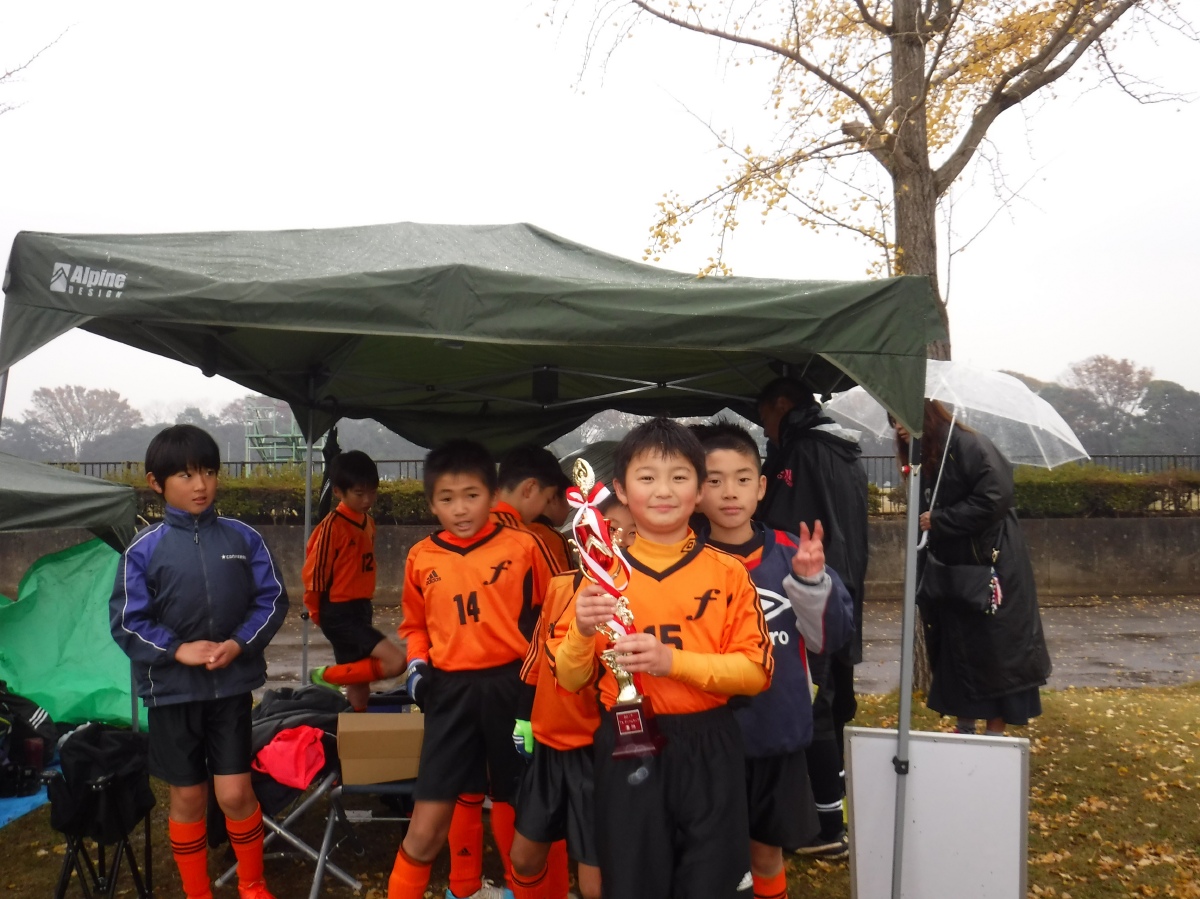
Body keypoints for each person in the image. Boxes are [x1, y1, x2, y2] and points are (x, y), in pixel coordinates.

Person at [553, 418, 774, 899]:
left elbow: (754, 673)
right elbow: (569, 679)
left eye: (679, 477)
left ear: (699, 490)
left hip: (709, 743)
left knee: (711, 880)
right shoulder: (600, 575)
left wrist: (671, 662)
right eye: (647, 477)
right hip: (627, 741)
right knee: (633, 881)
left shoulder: (729, 573)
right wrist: (582, 630)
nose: (663, 491)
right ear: (620, 490)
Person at [109, 424, 288, 899]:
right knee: (188, 796)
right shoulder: (142, 550)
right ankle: (198, 892)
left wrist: (239, 644)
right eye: (186, 475)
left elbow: (271, 600)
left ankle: (253, 886)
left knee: (234, 794)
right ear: (156, 483)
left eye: (208, 472)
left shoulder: (243, 537)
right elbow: (127, 621)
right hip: (172, 693)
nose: (201, 485)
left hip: (231, 689)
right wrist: (177, 650)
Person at [693, 423, 855, 899]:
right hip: (705, 738)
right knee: (711, 854)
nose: (730, 492)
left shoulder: (791, 553)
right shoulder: (683, 559)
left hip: (775, 733)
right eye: (714, 480)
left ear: (761, 487)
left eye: (743, 479)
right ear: (696, 490)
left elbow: (830, 638)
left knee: (766, 853)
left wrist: (810, 584)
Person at [387, 439, 554, 899]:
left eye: (471, 495)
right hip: (450, 695)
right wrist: (416, 667)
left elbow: (552, 619)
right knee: (425, 828)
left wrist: (541, 689)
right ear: (431, 503)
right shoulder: (422, 557)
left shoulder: (525, 546)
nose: (460, 509)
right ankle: (460, 886)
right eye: (447, 498)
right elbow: (414, 625)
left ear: (492, 494)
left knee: (522, 820)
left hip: (512, 691)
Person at [445, 443, 572, 899]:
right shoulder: (533, 540)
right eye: (550, 498)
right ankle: (535, 889)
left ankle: (463, 886)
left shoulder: (449, 536)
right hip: (517, 685)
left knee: (465, 782)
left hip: (454, 684)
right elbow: (563, 610)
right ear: (531, 489)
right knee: (522, 789)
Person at [756, 376, 868, 853]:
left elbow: (782, 527)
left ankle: (826, 828)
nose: (765, 427)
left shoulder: (801, 452)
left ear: (782, 404)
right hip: (842, 589)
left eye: (765, 416)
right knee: (833, 705)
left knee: (813, 707)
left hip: (806, 594)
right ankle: (832, 810)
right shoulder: (846, 451)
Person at [893, 400, 1052, 735]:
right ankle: (964, 725)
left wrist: (941, 520)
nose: (898, 427)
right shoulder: (927, 456)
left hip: (991, 566)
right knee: (958, 648)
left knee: (996, 652)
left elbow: (996, 496)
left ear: (925, 415)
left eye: (902, 418)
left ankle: (995, 731)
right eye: (893, 421)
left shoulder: (968, 444)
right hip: (953, 570)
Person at [509, 496, 636, 899]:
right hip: (550, 743)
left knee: (595, 882)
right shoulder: (561, 585)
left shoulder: (634, 594)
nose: (617, 540)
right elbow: (536, 656)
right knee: (524, 858)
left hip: (595, 752)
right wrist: (523, 717)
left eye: (631, 533)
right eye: (608, 529)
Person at [305, 450, 406, 712]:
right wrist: (317, 611)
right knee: (396, 662)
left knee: (359, 683)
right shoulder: (332, 526)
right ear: (338, 492)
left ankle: (357, 727)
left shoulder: (368, 522)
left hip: (361, 607)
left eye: (372, 492)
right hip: (338, 611)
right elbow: (315, 574)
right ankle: (325, 676)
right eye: (359, 493)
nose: (367, 499)